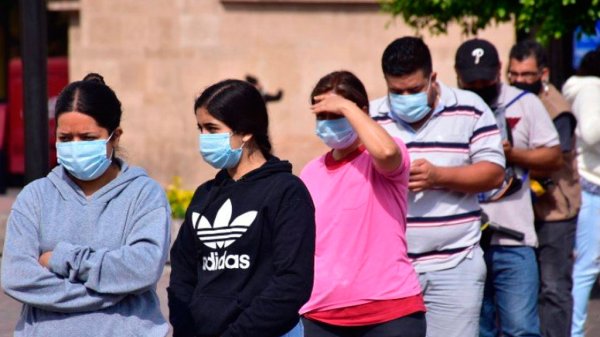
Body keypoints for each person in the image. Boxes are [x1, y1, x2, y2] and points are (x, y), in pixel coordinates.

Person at [0, 73, 171, 337]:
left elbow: (142, 268)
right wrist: (113, 291)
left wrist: (60, 259)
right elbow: (17, 277)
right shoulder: (35, 197)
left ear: (115, 137)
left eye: (88, 137)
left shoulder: (144, 194)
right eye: (65, 138)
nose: (75, 146)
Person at [370, 36, 505, 337]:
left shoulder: (470, 108)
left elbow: (494, 173)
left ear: (432, 78)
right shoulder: (371, 118)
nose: (406, 97)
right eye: (397, 91)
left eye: (414, 89)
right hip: (389, 269)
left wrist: (438, 177)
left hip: (455, 262)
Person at [167, 79, 315, 337]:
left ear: (246, 131)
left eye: (212, 129)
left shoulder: (286, 191)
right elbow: (182, 273)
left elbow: (292, 283)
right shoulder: (205, 195)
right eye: (200, 128)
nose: (203, 138)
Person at [300, 70, 426, 337]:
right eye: (322, 116)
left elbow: (386, 152)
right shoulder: (311, 172)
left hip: (391, 313)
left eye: (337, 115)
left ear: (363, 111)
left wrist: (346, 105)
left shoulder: (382, 156)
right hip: (322, 315)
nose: (328, 123)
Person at [454, 38, 562, 337]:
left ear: (499, 71)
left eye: (485, 80)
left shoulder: (523, 103)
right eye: (471, 81)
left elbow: (553, 156)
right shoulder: (450, 109)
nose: (478, 86)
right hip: (466, 243)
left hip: (514, 240)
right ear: (457, 76)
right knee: (478, 330)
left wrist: (512, 154)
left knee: (521, 330)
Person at [508, 40, 580, 337]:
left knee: (553, 288)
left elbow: (551, 160)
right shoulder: (508, 101)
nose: (520, 81)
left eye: (527, 74)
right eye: (514, 74)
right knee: (526, 288)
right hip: (521, 210)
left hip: (554, 212)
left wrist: (509, 155)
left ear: (544, 73)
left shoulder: (556, 109)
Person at [562, 47, 600, 337]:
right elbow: (592, 132)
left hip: (590, 188)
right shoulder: (592, 88)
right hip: (592, 189)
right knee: (586, 268)